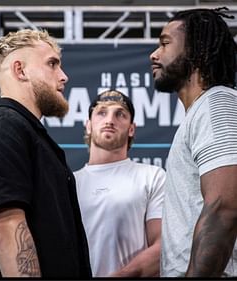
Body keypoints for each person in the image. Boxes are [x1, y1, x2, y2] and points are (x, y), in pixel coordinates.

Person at [0, 29, 91, 279]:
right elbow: (5, 225)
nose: (64, 76)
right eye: (52, 64)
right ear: (20, 70)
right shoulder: (6, 125)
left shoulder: (29, 132)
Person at [150, 7, 237, 277]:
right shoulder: (201, 111)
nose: (154, 54)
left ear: (196, 50)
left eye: (165, 44)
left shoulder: (216, 103)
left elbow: (225, 206)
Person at [74, 90, 165, 277]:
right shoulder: (68, 182)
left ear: (131, 129)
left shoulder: (152, 176)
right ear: (88, 125)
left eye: (120, 114)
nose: (110, 120)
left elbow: (163, 245)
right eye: (102, 112)